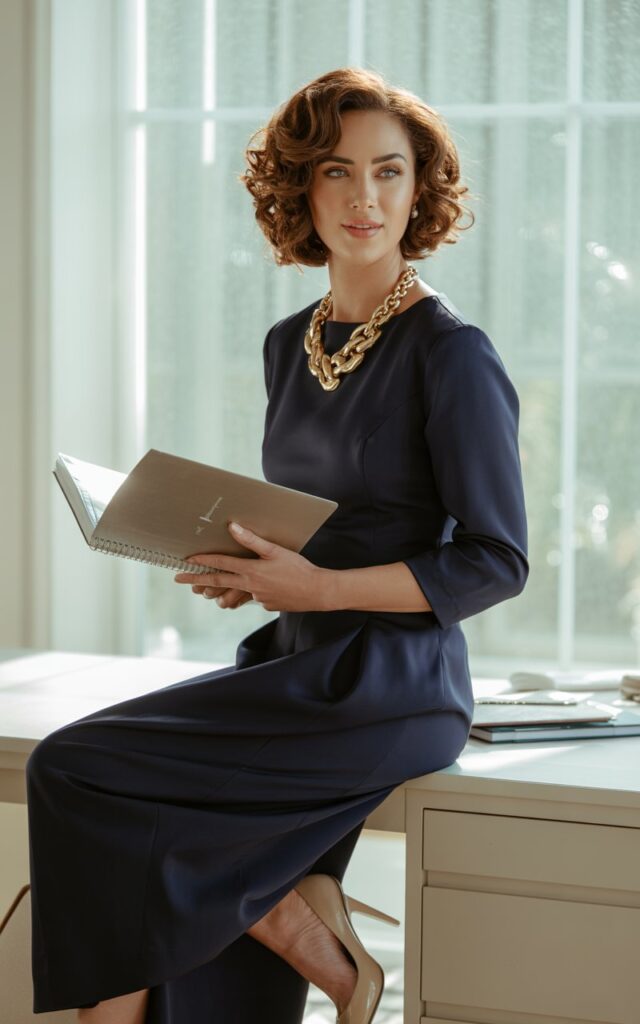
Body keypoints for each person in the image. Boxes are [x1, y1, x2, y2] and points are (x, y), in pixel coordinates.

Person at [25, 67, 529, 1024]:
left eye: (389, 172)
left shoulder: (452, 353)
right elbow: (321, 527)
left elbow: (496, 559)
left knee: (76, 770)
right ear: (302, 189)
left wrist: (320, 590)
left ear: (420, 190)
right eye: (337, 173)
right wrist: (255, 573)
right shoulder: (287, 341)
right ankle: (311, 936)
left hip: (393, 686)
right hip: (296, 658)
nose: (364, 198)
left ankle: (314, 943)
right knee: (120, 816)